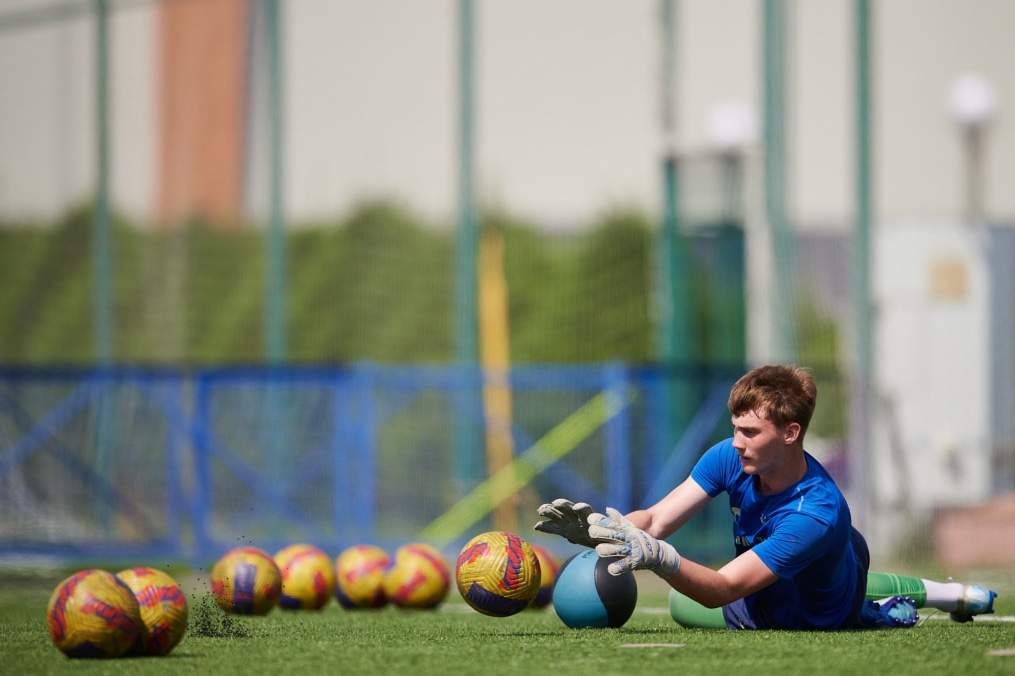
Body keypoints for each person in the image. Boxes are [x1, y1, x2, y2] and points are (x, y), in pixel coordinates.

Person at [535, 364, 997, 630]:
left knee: (691, 601)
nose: (737, 442)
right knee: (682, 602)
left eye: (751, 432)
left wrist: (659, 558)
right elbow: (655, 520)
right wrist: (603, 531)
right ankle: (953, 594)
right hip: (807, 565)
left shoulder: (813, 514)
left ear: (791, 433)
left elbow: (723, 590)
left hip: (810, 613)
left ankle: (877, 614)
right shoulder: (731, 455)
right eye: (736, 428)